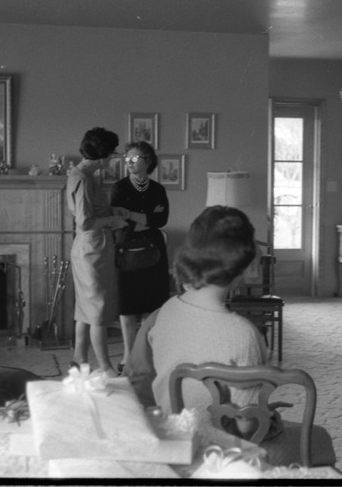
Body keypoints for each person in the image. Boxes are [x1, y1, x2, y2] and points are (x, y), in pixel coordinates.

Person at [139, 206, 267, 425]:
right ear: (242, 265)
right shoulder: (244, 333)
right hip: (217, 441)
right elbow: (246, 425)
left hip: (170, 430)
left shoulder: (166, 311)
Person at [66, 127, 129, 376]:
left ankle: (79, 360)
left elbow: (90, 214)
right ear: (103, 155)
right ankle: (106, 368)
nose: (113, 158)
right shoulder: (82, 178)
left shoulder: (82, 175)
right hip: (91, 249)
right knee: (98, 310)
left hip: (93, 247)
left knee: (87, 309)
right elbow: (85, 222)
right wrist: (113, 221)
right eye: (112, 153)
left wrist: (112, 213)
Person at [110, 141, 170, 374]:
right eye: (127, 158)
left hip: (154, 251)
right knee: (127, 304)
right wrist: (145, 218)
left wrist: (132, 214)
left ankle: (145, 355)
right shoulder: (120, 188)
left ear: (148, 161)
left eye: (135, 159)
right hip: (126, 249)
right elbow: (119, 219)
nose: (129, 162)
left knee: (152, 305)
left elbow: (161, 220)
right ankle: (128, 355)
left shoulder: (158, 190)